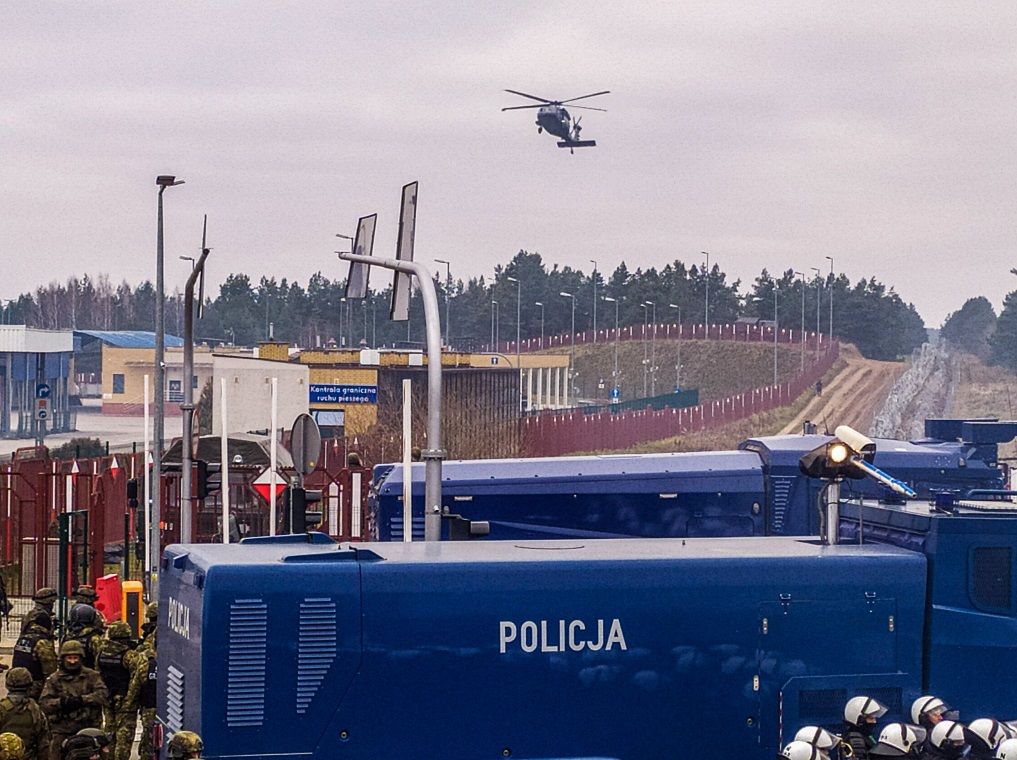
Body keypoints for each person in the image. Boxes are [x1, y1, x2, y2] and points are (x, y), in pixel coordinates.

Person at [38, 640, 108, 760]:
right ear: (63, 659)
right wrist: (62, 703)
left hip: (88, 729)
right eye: (69, 658)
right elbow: (44, 704)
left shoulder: (92, 676)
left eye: (75, 658)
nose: (72, 661)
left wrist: (82, 700)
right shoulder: (54, 679)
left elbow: (103, 695)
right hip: (62, 730)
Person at [95, 623, 136, 760]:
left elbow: (98, 675)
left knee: (109, 734)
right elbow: (136, 679)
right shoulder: (129, 655)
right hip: (125, 701)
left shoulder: (101, 653)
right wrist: (131, 699)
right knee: (124, 737)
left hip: (108, 699)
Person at [0, 668, 50, 760]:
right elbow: (43, 745)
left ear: (7, 685)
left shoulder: (2, 708)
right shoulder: (35, 710)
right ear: (29, 687)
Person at [11, 616, 57, 701]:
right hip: (33, 685)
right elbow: (50, 671)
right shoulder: (42, 643)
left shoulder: (22, 638)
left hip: (14, 682)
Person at [126, 641, 157, 760]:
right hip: (169, 711)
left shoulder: (146, 667)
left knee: (149, 740)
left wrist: (129, 707)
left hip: (149, 710)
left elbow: (134, 691)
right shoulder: (174, 666)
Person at [60, 607, 102, 671]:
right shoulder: (94, 638)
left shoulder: (67, 636)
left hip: (68, 674)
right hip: (87, 674)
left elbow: (60, 658)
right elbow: (98, 661)